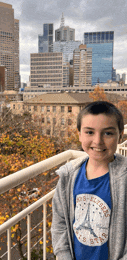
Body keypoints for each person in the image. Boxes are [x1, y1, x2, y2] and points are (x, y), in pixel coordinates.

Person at [51, 101, 127, 260]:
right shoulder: (68, 176)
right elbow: (60, 225)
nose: (98, 141)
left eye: (108, 133)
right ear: (79, 134)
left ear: (120, 135)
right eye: (90, 132)